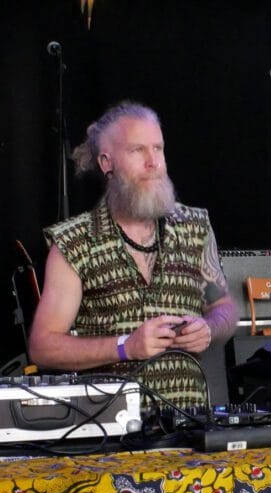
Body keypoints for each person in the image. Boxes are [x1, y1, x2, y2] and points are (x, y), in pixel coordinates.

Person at [28, 100, 238, 408]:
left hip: (189, 423)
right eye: (137, 150)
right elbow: (43, 346)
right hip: (109, 426)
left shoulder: (194, 226)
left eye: (158, 148)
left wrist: (209, 329)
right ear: (106, 163)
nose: (153, 163)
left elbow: (225, 308)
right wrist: (125, 346)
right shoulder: (75, 241)